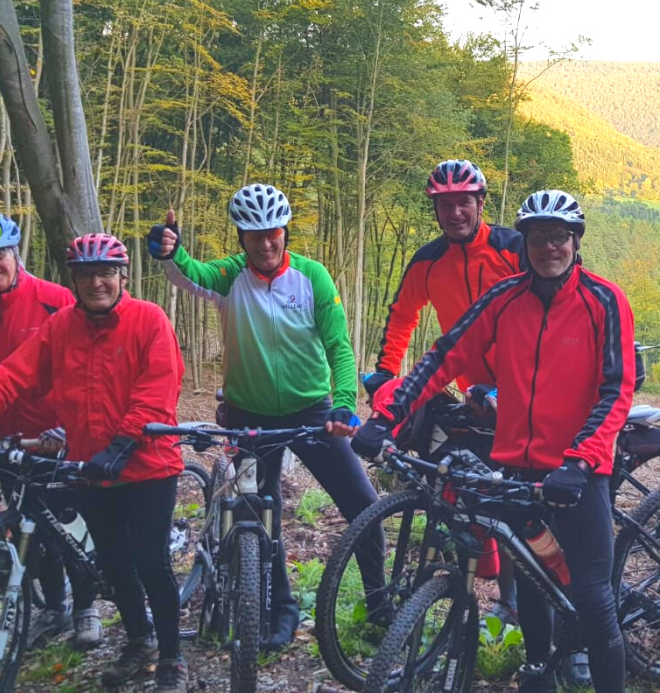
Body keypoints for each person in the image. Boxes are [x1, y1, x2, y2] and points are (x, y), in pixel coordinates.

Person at [353, 190, 635, 693]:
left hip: (578, 471)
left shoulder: (604, 300)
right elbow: (444, 357)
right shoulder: (503, 298)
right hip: (516, 470)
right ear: (524, 243)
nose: (548, 247)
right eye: (537, 237)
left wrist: (579, 461)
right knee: (530, 579)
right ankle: (538, 673)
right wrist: (387, 415)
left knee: (593, 597)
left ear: (576, 241)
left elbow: (616, 390)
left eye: (559, 236)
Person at [147, 183, 382, 651]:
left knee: (365, 505)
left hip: (312, 411)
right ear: (242, 238)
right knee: (258, 516)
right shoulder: (230, 276)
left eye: (273, 233)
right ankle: (281, 609)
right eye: (255, 235)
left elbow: (338, 347)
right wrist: (170, 252)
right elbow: (190, 273)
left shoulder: (312, 276)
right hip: (249, 415)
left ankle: (379, 605)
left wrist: (343, 402)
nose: (266, 243)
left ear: (285, 232)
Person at [0, 233, 188, 692]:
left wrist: (121, 447)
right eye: (86, 274)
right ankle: (139, 640)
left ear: (122, 276)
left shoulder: (149, 319)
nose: (96, 283)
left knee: (150, 562)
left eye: (105, 273)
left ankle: (172, 655)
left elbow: (158, 389)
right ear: (74, 280)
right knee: (113, 563)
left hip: (147, 467)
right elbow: (15, 374)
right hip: (89, 469)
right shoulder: (60, 326)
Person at [365, 159, 525, 627]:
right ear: (435, 210)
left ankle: (514, 600)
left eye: (464, 202)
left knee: (517, 491)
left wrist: (515, 384)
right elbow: (402, 316)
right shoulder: (428, 261)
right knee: (468, 484)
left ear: (481, 203)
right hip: (472, 390)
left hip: (524, 386)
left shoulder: (512, 248)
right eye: (445, 205)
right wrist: (385, 374)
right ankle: (472, 581)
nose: (455, 213)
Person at [0, 214, 101, 649]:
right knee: (29, 528)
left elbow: (85, 362)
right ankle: (54, 607)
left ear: (14, 255)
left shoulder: (54, 299)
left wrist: (68, 424)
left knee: (67, 524)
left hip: (54, 436)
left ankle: (85, 609)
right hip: (7, 441)